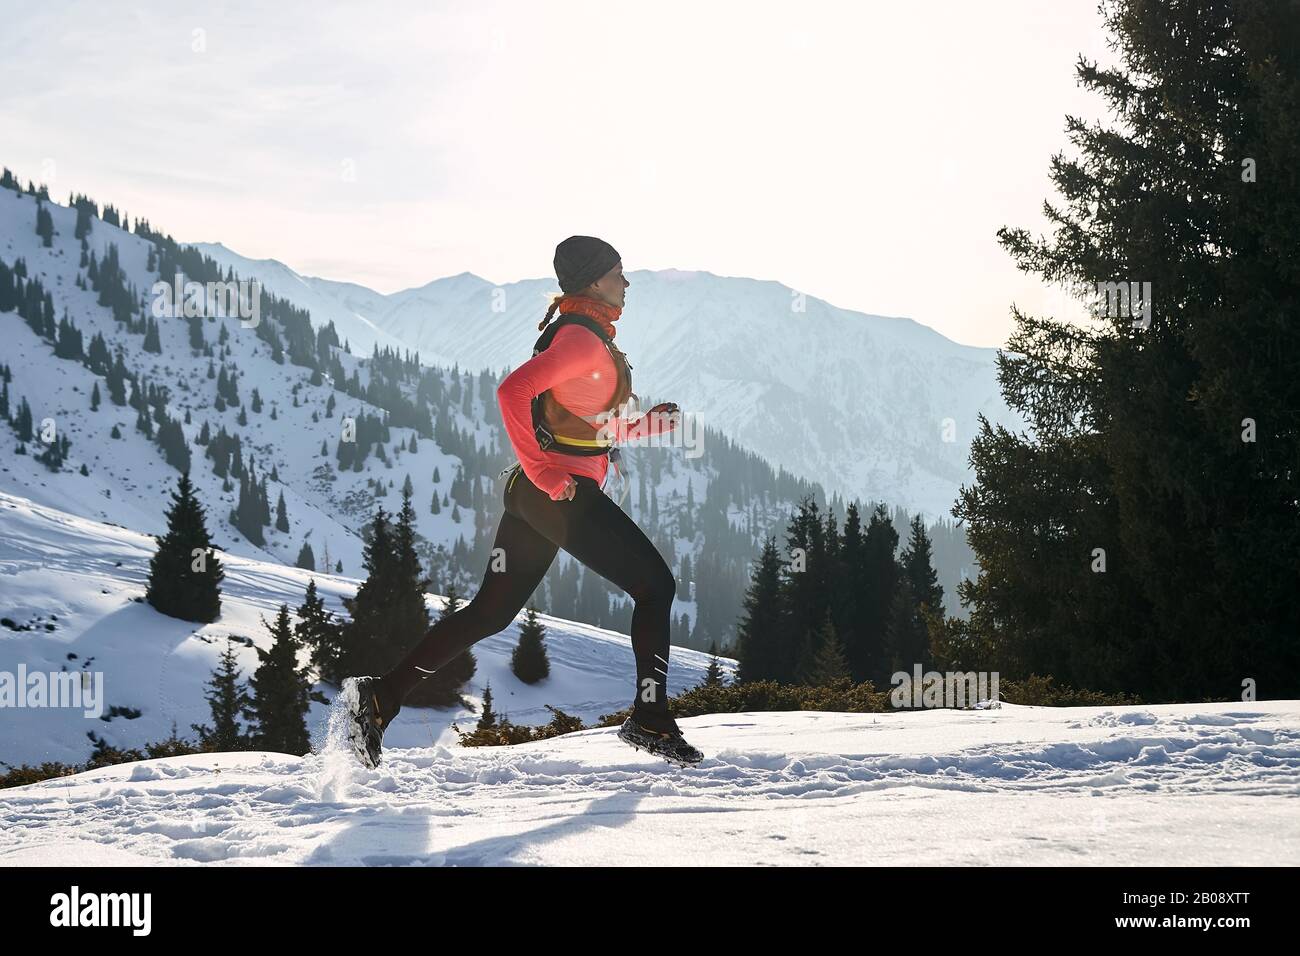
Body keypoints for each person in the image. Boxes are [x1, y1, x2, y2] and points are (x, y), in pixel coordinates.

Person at [343, 236, 704, 768]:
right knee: (656, 587)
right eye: (619, 274)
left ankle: (381, 697)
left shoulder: (583, 335)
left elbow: (578, 420)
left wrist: (646, 426)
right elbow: (511, 392)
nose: (627, 284)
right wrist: (543, 470)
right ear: (593, 281)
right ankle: (649, 718)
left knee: (491, 611)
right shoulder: (583, 341)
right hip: (558, 496)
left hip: (538, 497)